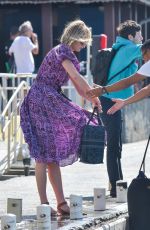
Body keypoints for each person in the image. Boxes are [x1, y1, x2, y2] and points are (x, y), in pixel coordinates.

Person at [20, 19, 101, 215]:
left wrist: (91, 99)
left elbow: (77, 87)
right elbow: (75, 77)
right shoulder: (63, 51)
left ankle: (60, 203)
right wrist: (94, 96)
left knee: (50, 155)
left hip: (46, 98)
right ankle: (45, 203)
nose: (83, 47)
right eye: (82, 43)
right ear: (75, 38)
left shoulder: (65, 53)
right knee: (43, 155)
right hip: (42, 99)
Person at [92, 20, 143, 197]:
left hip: (113, 100)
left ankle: (118, 184)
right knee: (114, 145)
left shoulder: (122, 47)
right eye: (139, 35)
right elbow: (147, 50)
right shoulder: (129, 48)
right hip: (109, 100)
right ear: (131, 36)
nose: (142, 38)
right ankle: (115, 187)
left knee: (116, 144)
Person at [87, 39, 150, 111]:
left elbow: (128, 82)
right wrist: (124, 102)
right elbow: (147, 90)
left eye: (144, 54)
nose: (144, 58)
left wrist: (103, 90)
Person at [9, 21, 39, 85]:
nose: (32, 32)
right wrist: (35, 39)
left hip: (19, 73)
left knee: (22, 93)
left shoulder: (16, 40)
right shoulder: (26, 40)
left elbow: (10, 52)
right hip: (27, 73)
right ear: (27, 31)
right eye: (31, 30)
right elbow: (36, 51)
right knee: (28, 93)